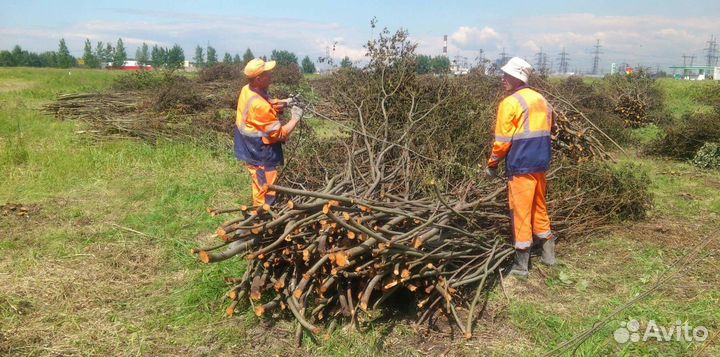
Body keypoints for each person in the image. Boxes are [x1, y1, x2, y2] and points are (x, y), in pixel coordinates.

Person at [485, 56, 556, 278]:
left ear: (517, 78)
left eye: (506, 75)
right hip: (540, 163)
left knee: (521, 212)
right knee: (539, 206)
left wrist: (492, 164)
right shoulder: (541, 99)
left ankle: (521, 265)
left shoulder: (510, 103)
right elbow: (550, 128)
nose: (502, 79)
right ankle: (549, 255)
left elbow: (502, 141)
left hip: (521, 165)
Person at [235, 58, 303, 207]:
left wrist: (286, 102)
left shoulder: (248, 89)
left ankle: (261, 214)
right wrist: (295, 119)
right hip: (260, 151)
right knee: (266, 189)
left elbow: (265, 100)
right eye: (267, 73)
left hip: (248, 146)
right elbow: (279, 134)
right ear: (258, 78)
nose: (271, 75)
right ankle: (262, 220)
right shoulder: (259, 107)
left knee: (259, 182)